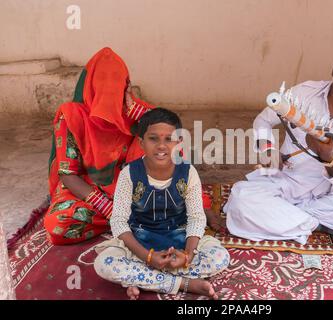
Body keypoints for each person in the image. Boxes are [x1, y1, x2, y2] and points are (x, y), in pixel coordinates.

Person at [223, 27, 333, 247]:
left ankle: (293, 218)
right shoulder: (303, 93)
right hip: (285, 182)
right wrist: (268, 151)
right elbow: (263, 121)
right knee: (242, 198)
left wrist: (329, 159)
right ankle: (322, 224)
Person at [44, 47, 215, 245]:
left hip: (135, 189)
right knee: (58, 224)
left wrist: (202, 207)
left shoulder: (137, 113)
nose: (108, 100)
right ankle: (140, 220)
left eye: (114, 90)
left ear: (126, 87)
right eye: (101, 90)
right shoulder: (72, 116)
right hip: (90, 191)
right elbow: (68, 173)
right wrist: (107, 208)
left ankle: (138, 219)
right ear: (89, 87)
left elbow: (174, 154)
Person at [93, 108, 229, 299]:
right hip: (140, 242)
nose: (162, 146)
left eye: (169, 139)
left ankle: (146, 280)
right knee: (104, 263)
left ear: (179, 143)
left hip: (180, 241)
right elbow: (118, 222)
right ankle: (184, 283)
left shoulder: (188, 172)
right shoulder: (129, 174)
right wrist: (147, 256)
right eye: (153, 139)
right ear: (141, 143)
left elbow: (197, 218)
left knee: (219, 257)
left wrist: (188, 255)